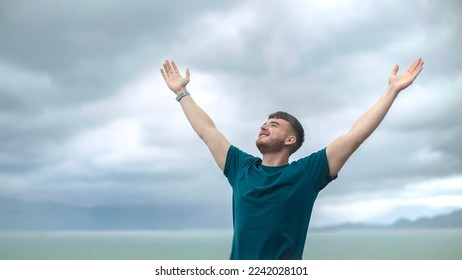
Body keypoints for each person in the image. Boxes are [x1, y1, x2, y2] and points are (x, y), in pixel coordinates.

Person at [160, 58, 424, 260]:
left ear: (290, 141)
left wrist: (392, 91)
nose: (263, 126)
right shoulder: (240, 168)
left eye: (273, 125)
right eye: (263, 123)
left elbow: (355, 136)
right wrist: (182, 93)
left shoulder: (306, 174)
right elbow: (208, 131)